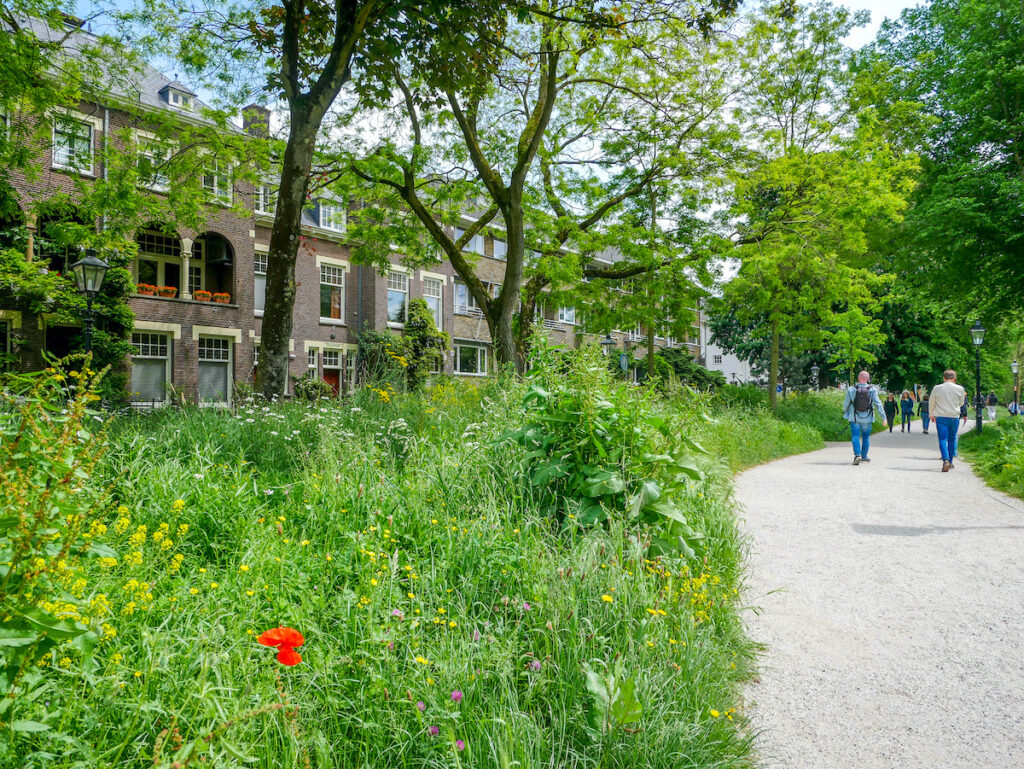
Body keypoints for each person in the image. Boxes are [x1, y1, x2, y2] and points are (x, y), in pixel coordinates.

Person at [842, 371, 887, 465]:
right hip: (868, 417)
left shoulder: (851, 389)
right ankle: (864, 456)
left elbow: (846, 404)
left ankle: (857, 455)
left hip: (854, 417)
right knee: (866, 437)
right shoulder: (872, 389)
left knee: (855, 436)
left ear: (859, 378)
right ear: (868, 379)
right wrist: (884, 417)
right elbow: (878, 403)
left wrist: (845, 413)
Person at [929, 370, 968, 472]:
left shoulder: (937, 388)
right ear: (955, 378)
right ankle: (950, 461)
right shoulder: (960, 389)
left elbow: (931, 402)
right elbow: (961, 403)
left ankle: (945, 459)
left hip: (941, 416)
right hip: (954, 416)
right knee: (952, 439)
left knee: (942, 439)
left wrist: (931, 413)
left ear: (944, 378)